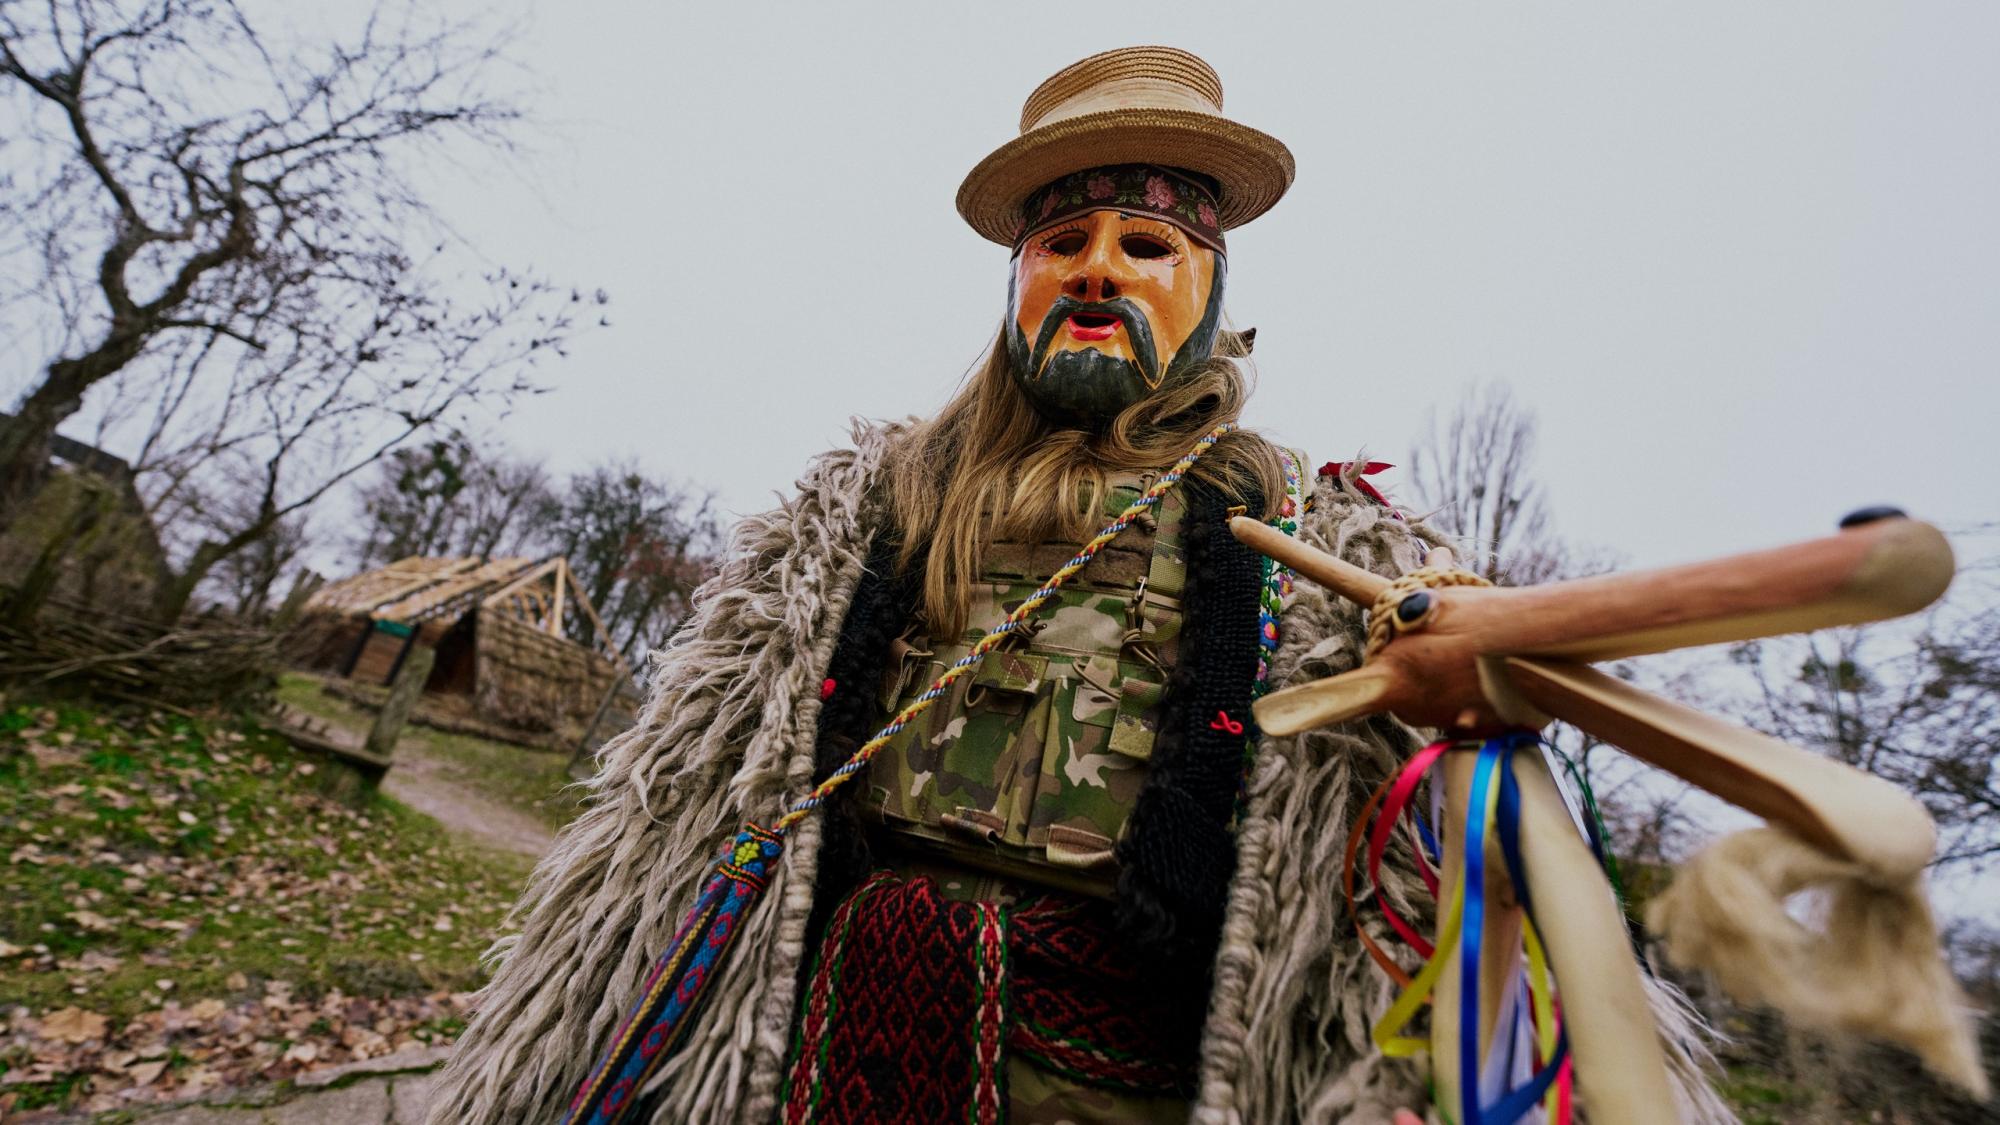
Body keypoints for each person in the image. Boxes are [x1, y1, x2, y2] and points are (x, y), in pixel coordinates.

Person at [427, 46, 1726, 1124]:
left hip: (1120, 1075)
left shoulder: (1311, 538)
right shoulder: (871, 512)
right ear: (1020, 284)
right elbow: (689, 812)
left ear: (1210, 291)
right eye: (1063, 242)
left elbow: (1403, 836)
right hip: (841, 1043)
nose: (1099, 267)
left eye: (1147, 241)